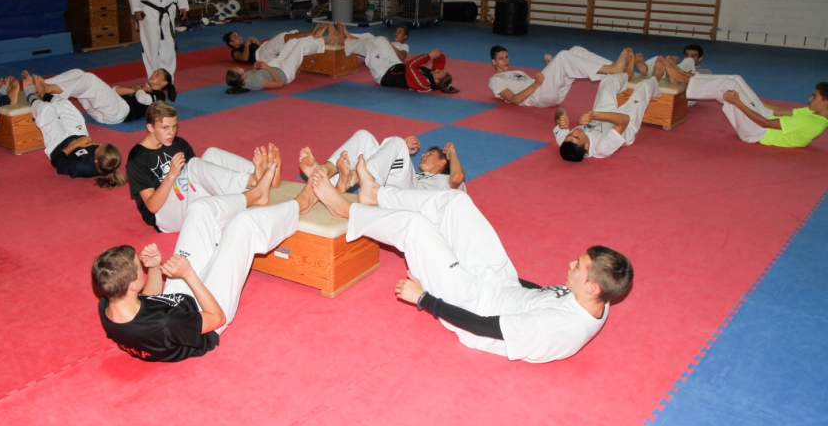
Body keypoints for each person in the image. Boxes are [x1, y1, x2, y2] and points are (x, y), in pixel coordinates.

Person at [310, 167, 633, 363]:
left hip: (471, 303)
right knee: (456, 202)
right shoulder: (598, 298)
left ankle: (344, 209)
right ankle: (376, 194)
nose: (570, 263)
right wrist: (486, 264)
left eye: (578, 266)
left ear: (592, 287)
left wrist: (424, 299)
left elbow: (483, 327)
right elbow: (544, 295)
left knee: (415, 226)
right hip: (500, 283)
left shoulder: (555, 327)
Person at [92, 172, 318, 363]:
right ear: (132, 285)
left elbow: (147, 301)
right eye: (138, 266)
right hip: (206, 313)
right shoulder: (166, 324)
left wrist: (153, 268)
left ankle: (254, 195)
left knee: (199, 208)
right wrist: (189, 274)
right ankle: (301, 204)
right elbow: (217, 318)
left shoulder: (109, 305)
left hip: (175, 301)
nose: (140, 262)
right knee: (244, 224)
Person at [125, 101, 282, 232]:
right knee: (194, 164)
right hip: (163, 215)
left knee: (211, 153)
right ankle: (253, 184)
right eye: (165, 128)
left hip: (187, 198)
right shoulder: (137, 158)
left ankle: (259, 176)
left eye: (174, 126)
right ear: (150, 127)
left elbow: (201, 176)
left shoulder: (178, 143)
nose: (171, 133)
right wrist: (171, 175)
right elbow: (152, 206)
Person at [660, 66, 828, 148]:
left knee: (728, 86)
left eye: (814, 96)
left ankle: (683, 78)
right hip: (764, 118)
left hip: (757, 132)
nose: (809, 99)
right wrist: (751, 99)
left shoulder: (812, 122)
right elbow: (778, 111)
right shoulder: (814, 112)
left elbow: (765, 123)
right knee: (736, 79)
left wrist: (739, 102)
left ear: (826, 102)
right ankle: (685, 76)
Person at [22, 72, 126, 188]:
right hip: (78, 135)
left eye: (100, 147)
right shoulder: (108, 160)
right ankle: (44, 94)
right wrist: (92, 142)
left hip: (58, 144)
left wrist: (75, 145)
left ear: (95, 160)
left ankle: (30, 96)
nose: (100, 144)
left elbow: (56, 161)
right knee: (66, 105)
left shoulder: (81, 167)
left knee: (47, 109)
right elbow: (101, 146)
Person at [553, 58, 660, 162]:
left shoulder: (565, 143)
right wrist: (594, 115)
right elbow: (624, 120)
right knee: (644, 87)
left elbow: (559, 111)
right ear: (586, 146)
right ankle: (657, 75)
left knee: (607, 80)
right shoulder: (602, 148)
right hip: (626, 125)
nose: (574, 132)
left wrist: (561, 116)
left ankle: (627, 75)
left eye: (569, 134)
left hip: (601, 114)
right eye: (577, 137)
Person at [298, 129, 465, 193]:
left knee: (397, 142)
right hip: (388, 188)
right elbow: (387, 165)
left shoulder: (444, 182)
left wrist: (452, 152)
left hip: (410, 198)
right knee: (364, 136)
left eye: (430, 154)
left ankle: (353, 177)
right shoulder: (415, 175)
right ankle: (325, 171)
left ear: (443, 162)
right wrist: (401, 152)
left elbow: (457, 176)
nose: (423, 155)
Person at [489, 45, 630, 107]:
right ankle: (613, 69)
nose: (505, 60)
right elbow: (514, 99)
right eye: (501, 58)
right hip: (537, 97)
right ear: (494, 62)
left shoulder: (518, 72)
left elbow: (543, 81)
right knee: (563, 56)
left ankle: (617, 69)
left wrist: (551, 66)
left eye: (506, 57)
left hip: (550, 93)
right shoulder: (495, 80)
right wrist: (536, 84)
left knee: (575, 50)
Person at [37, 68, 174, 125]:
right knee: (78, 73)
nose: (153, 74)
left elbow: (143, 99)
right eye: (154, 72)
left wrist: (138, 88)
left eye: (158, 74)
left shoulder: (159, 95)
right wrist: (133, 88)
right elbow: (113, 90)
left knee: (90, 79)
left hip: (120, 113)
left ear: (164, 83)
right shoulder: (142, 89)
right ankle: (42, 84)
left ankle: (48, 89)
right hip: (100, 112)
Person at [225, 24, 337, 93]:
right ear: (240, 76)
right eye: (236, 69)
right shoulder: (255, 83)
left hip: (274, 64)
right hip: (285, 73)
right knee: (300, 46)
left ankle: (315, 37)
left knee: (291, 42)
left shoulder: (245, 77)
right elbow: (279, 84)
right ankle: (326, 40)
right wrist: (267, 67)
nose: (237, 67)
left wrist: (255, 67)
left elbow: (255, 73)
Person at [223, 29, 324, 65]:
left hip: (262, 50)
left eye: (237, 35)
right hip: (260, 56)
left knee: (291, 34)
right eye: (235, 37)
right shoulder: (235, 52)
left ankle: (311, 37)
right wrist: (246, 45)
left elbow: (257, 48)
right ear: (231, 43)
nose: (239, 37)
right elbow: (244, 58)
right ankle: (310, 34)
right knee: (281, 37)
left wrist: (256, 42)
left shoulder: (246, 44)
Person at [634, 43, 704, 79]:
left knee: (688, 61)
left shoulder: (705, 71)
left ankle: (670, 72)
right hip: (664, 75)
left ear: (700, 58)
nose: (688, 57)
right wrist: (671, 64)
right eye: (686, 55)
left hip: (685, 87)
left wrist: (671, 65)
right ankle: (645, 68)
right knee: (659, 59)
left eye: (693, 56)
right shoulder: (681, 65)